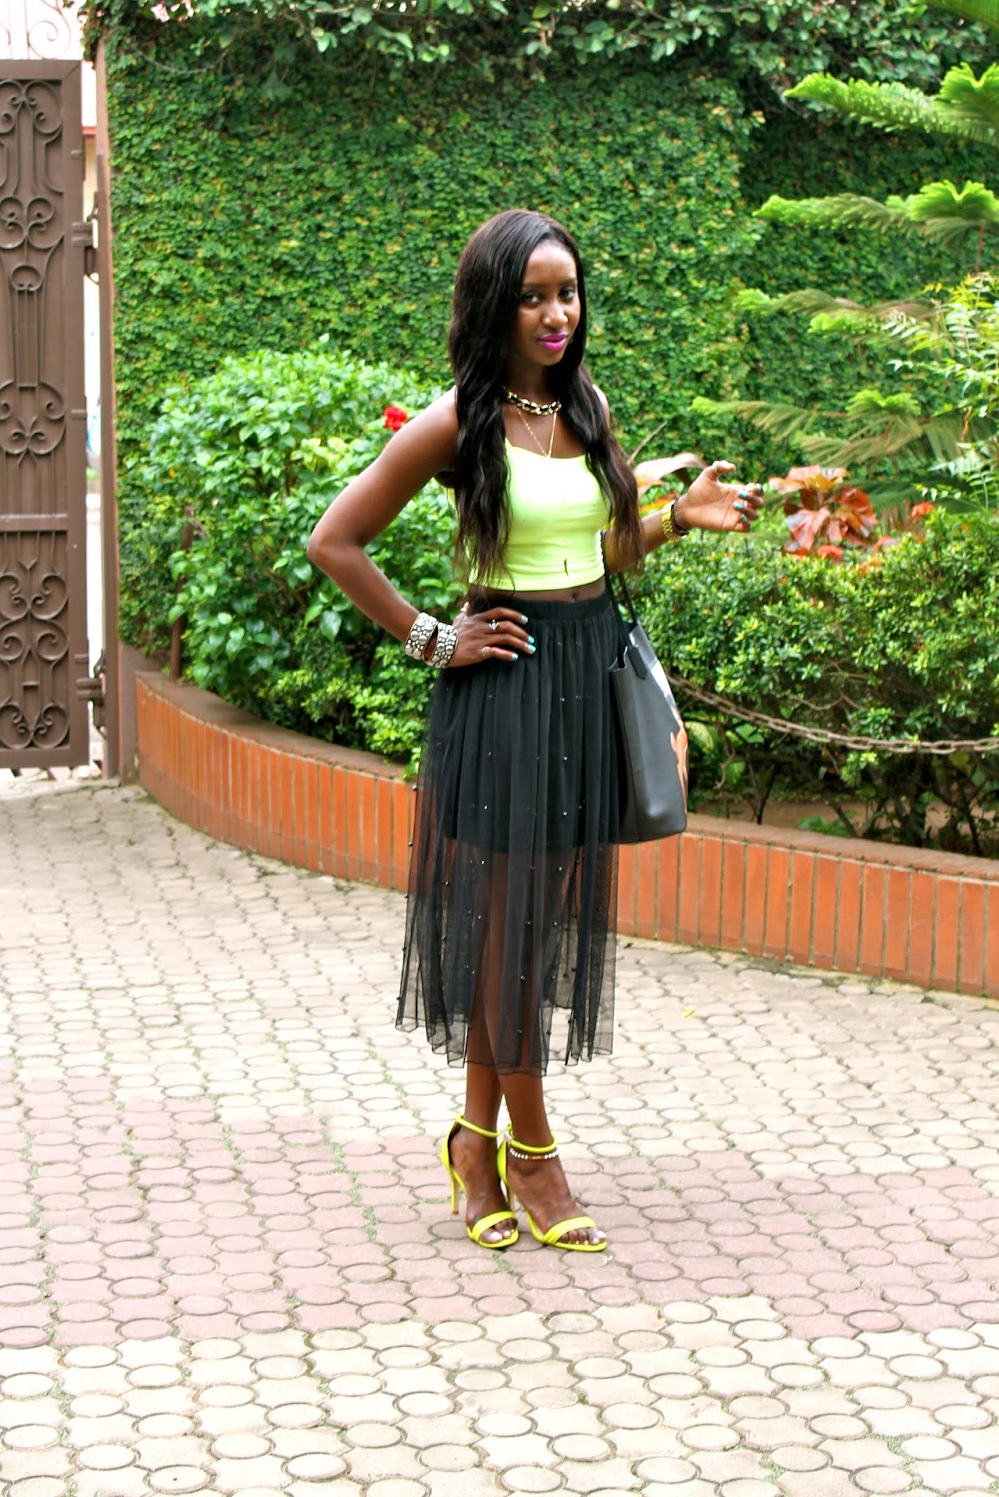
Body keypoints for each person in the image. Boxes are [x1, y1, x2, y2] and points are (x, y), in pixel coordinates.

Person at [307, 209, 763, 1253]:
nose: (557, 314)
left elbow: (597, 553)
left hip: (584, 676)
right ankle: (536, 1154)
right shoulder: (454, 421)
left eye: (568, 293)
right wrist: (435, 639)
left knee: (528, 930)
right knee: (511, 934)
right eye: (533, 297)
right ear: (495, 305)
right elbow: (336, 540)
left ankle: (475, 1144)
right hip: (505, 686)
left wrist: (673, 520)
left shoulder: (586, 407)